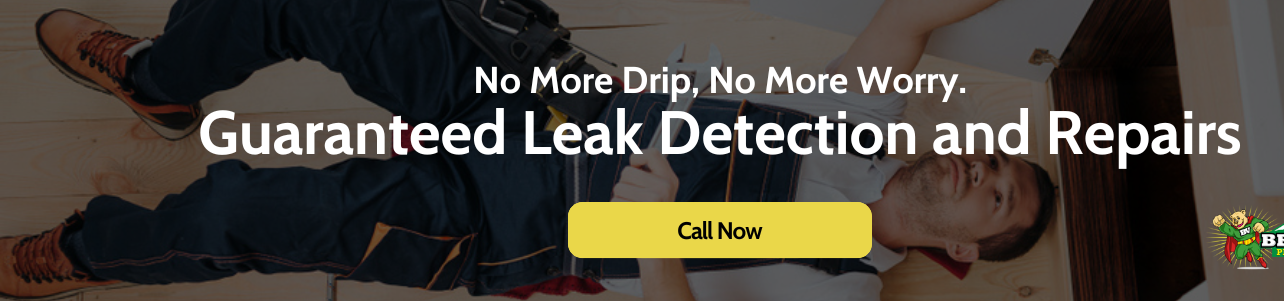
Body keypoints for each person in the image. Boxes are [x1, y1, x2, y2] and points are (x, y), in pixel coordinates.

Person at [3, 0, 1056, 300]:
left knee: (239, 218)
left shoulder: (840, 268)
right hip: (536, 106)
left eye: (994, 202)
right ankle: (157, 82)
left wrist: (653, 240)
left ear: (959, 253)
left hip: (491, 219)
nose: (981, 174)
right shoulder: (863, 130)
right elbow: (904, 21)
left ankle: (85, 254)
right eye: (996, 161)